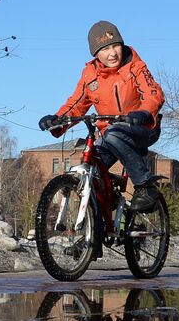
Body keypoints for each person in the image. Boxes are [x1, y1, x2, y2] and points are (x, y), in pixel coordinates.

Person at [39, 20, 166, 212]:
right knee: (92, 167)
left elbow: (153, 93)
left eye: (116, 46)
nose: (112, 53)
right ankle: (96, 229)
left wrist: (144, 112)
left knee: (113, 133)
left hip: (143, 127)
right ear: (96, 53)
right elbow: (76, 104)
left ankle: (145, 186)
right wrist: (58, 120)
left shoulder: (135, 66)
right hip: (111, 135)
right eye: (105, 49)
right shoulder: (90, 75)